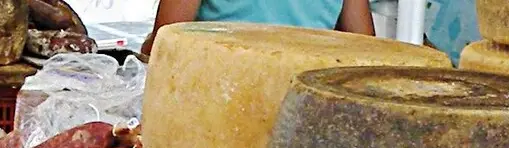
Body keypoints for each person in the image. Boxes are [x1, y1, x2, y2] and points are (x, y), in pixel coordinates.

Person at [141, 0, 376, 54]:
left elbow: (161, 49)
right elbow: (367, 52)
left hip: (221, 98)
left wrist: (146, 44)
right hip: (304, 109)